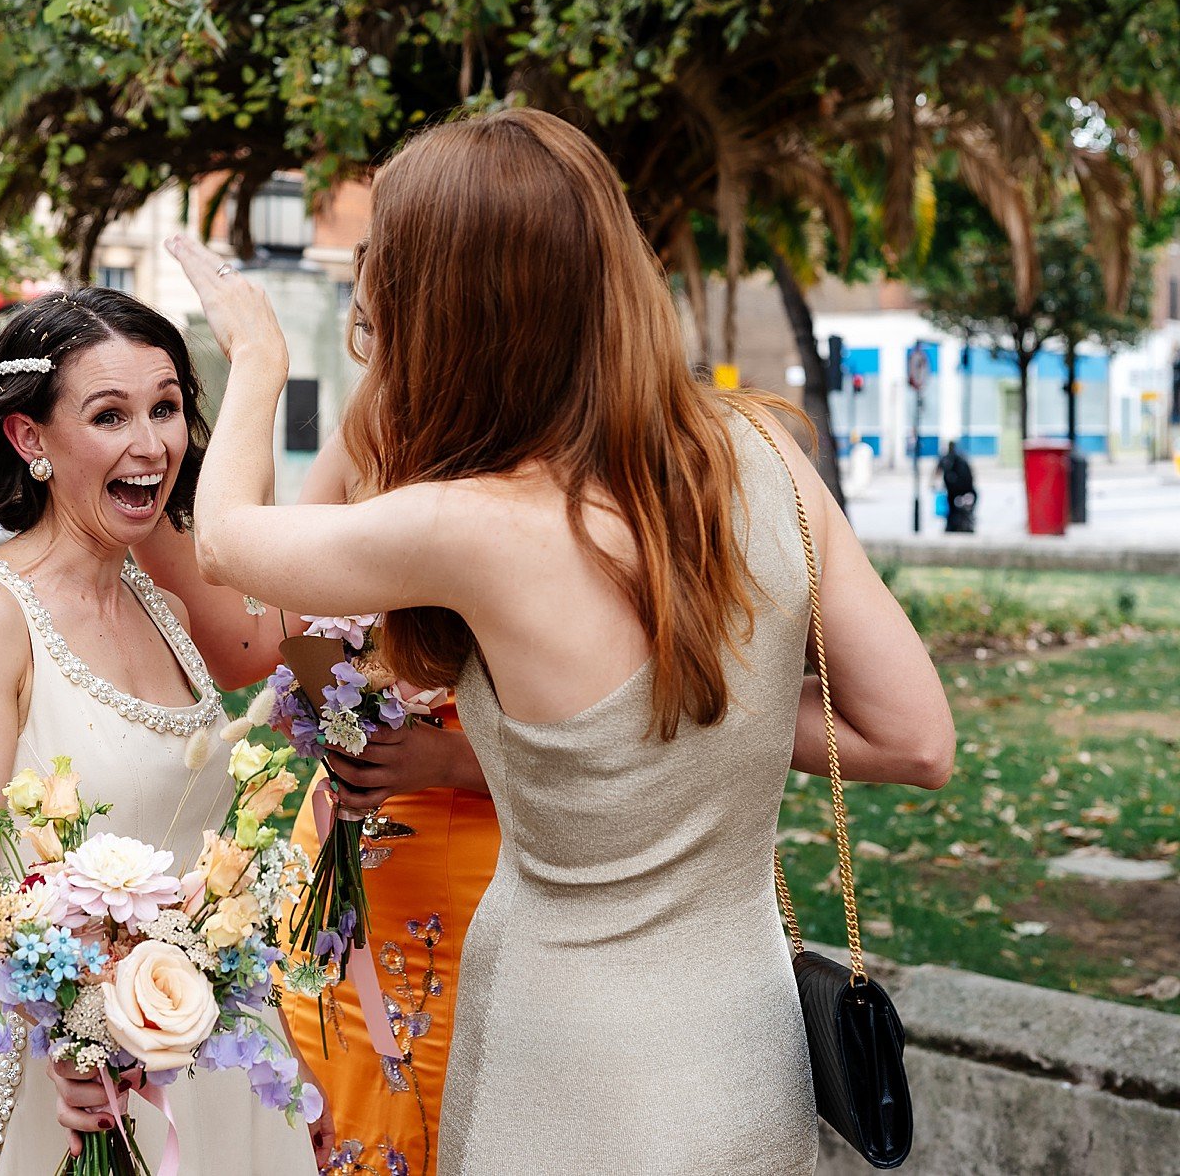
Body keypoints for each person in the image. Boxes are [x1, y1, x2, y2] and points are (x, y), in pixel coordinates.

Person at [171, 107, 955, 1175]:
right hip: (746, 1051)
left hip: (566, 1071)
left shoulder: (477, 523)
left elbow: (223, 543)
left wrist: (256, 358)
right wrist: (690, 734)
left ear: (441, 307)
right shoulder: (757, 450)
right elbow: (916, 739)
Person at [0, 289, 328, 1175]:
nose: (151, 444)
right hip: (89, 1084)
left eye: (166, 408)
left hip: (219, 1057)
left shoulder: (163, 605)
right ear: (30, 440)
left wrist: (285, 1059)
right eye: (109, 414)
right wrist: (81, 1026)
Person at [139, 426, 500, 1176]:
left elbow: (624, 748)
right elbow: (258, 636)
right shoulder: (368, 434)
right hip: (338, 859)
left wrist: (449, 757)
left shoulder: (553, 458)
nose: (379, 349)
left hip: (480, 858)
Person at [937, 440, 978, 533]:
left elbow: (937, 471)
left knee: (953, 508)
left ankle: (954, 524)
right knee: (955, 508)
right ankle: (956, 524)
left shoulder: (947, 459)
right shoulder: (960, 458)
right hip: (963, 490)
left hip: (954, 490)